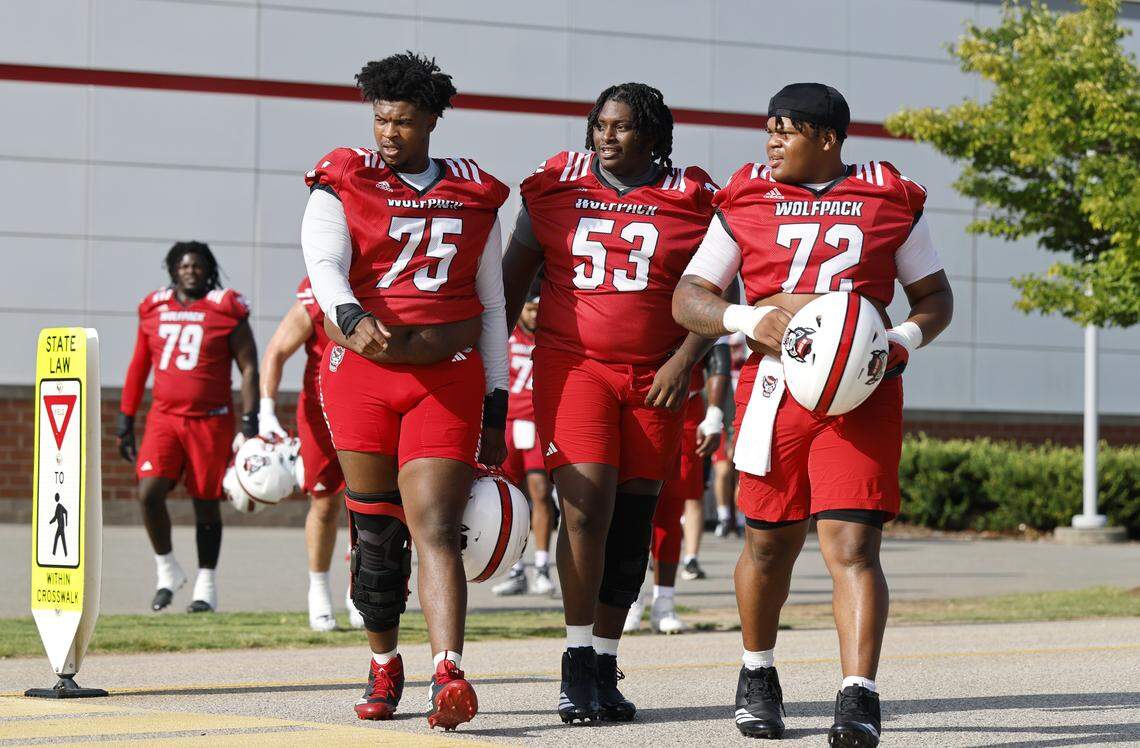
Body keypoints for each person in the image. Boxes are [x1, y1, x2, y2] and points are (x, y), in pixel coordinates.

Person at [672, 83, 953, 745]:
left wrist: (899, 340)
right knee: (769, 544)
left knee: (854, 546)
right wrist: (745, 317)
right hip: (775, 389)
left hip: (861, 393)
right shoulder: (745, 197)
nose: (770, 142)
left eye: (785, 131)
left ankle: (858, 694)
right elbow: (689, 297)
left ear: (826, 139)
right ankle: (757, 672)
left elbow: (935, 297)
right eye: (768, 129)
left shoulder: (889, 197)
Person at [300, 52, 509, 730]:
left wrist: (498, 397)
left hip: (446, 379)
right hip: (362, 374)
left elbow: (492, 302)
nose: (389, 133)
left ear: (431, 121)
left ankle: (447, 670)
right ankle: (384, 661)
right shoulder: (343, 177)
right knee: (376, 534)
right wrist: (350, 314)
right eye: (382, 119)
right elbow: (324, 261)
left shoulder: (474, 193)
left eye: (404, 121)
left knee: (437, 529)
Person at [501, 82, 718, 723]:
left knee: (631, 524)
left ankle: (604, 657)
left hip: (657, 376)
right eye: (599, 124)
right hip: (576, 368)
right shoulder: (555, 185)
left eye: (621, 127)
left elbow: (724, 289)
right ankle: (573, 662)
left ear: (652, 134)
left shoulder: (695, 197)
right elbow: (510, 286)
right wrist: (488, 376)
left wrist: (686, 361)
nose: (605, 135)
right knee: (585, 507)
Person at [117, 241, 259, 613]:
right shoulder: (154, 308)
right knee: (148, 492)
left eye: (197, 265)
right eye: (183, 265)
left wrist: (251, 418)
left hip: (211, 420)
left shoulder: (226, 308)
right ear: (173, 269)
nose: (190, 270)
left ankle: (205, 584)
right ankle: (167, 571)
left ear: (208, 268)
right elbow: (138, 366)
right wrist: (125, 418)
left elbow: (249, 367)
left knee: (205, 504)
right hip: (164, 417)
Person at [257, 278, 351, 632]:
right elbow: (276, 351)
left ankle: (362, 588)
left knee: (371, 502)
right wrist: (266, 412)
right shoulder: (319, 288)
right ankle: (319, 590)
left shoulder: (387, 275)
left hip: (370, 404)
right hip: (321, 407)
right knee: (325, 501)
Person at [625, 343, 729, 634]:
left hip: (686, 408)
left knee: (671, 512)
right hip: (640, 403)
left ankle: (664, 602)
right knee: (634, 511)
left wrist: (714, 415)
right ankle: (630, 598)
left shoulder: (695, 297)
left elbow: (717, 352)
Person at [494, 283, 558, 597]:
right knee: (507, 496)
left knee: (540, 492)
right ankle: (515, 567)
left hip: (536, 423)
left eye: (539, 309)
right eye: (530, 308)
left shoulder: (551, 336)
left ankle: (543, 565)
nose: (535, 315)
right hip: (507, 422)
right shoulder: (505, 334)